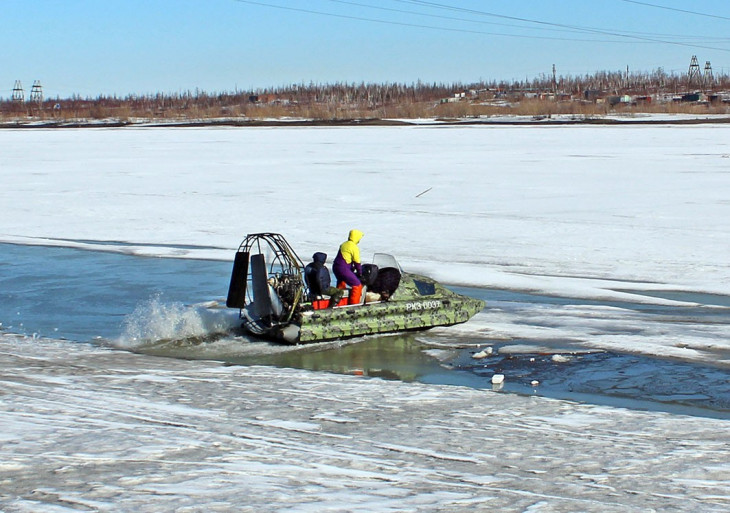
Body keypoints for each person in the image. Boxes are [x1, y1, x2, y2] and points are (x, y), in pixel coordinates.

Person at [333, 229, 364, 305]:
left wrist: (351, 269)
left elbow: (346, 259)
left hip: (336, 267)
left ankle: (339, 304)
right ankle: (354, 306)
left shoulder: (344, 244)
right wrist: (360, 272)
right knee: (357, 285)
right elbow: (357, 262)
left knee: (341, 285)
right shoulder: (354, 247)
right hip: (343, 269)